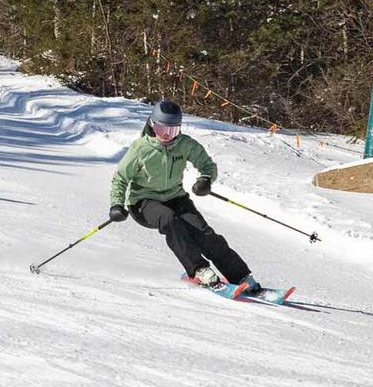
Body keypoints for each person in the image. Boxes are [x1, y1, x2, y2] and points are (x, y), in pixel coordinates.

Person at [108, 99, 260, 298]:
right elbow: (120, 178)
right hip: (143, 202)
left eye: (172, 131)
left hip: (175, 198)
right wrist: (117, 204)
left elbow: (207, 165)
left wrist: (205, 180)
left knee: (205, 233)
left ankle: (240, 276)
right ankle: (199, 269)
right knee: (170, 219)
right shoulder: (140, 149)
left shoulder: (184, 144)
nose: (166, 136)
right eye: (162, 129)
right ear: (152, 125)